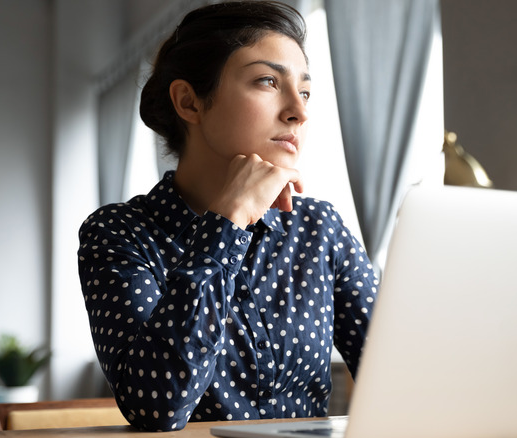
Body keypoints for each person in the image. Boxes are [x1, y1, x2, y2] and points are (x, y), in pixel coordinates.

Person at [78, 1, 378, 432]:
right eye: (268, 81)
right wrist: (227, 222)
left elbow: (396, 376)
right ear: (190, 102)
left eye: (306, 90)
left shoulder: (318, 228)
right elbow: (156, 408)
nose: (299, 110)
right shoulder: (118, 233)